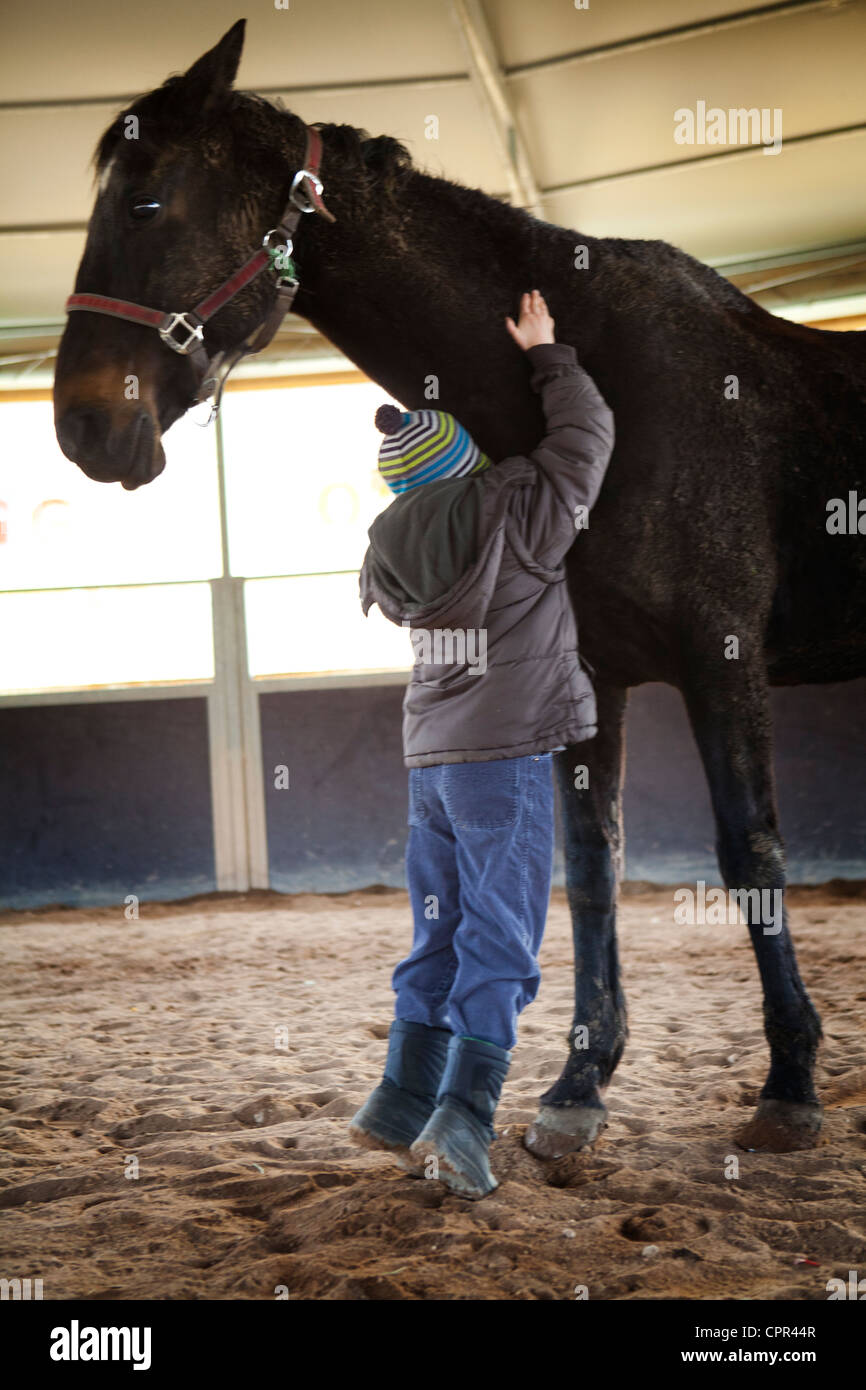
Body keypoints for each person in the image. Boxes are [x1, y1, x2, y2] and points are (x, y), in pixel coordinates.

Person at [349, 291, 615, 1198]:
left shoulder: (387, 541)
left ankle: (398, 1095)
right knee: (502, 934)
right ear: (467, 461)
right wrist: (550, 357)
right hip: (503, 754)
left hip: (431, 755)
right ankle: (464, 1119)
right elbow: (587, 443)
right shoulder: (521, 506)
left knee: (440, 927)